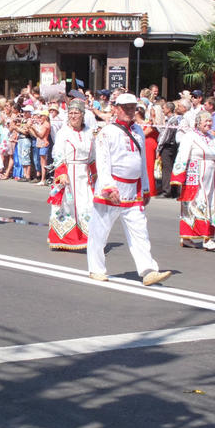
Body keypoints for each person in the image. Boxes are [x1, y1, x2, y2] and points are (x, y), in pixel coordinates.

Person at [86, 93, 171, 285]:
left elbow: (141, 163)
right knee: (100, 230)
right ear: (116, 108)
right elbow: (103, 162)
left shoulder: (138, 131)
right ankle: (96, 268)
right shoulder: (106, 132)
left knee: (139, 230)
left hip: (133, 190)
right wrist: (108, 187)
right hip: (113, 188)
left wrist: (146, 189)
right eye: (125, 108)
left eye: (133, 107)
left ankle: (148, 270)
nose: (130, 111)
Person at [48, 100, 95, 251]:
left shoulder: (89, 132)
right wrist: (62, 174)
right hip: (69, 173)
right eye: (71, 113)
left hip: (84, 174)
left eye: (77, 113)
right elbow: (58, 154)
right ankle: (65, 238)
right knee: (68, 206)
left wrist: (96, 173)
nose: (73, 116)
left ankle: (87, 238)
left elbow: (94, 155)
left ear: (83, 115)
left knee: (87, 205)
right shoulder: (63, 132)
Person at [171, 111, 215, 250]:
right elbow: (182, 156)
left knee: (210, 203)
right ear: (198, 123)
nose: (208, 123)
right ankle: (205, 238)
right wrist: (178, 176)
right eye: (205, 121)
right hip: (195, 174)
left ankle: (189, 237)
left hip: (210, 177)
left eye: (210, 121)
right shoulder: (190, 136)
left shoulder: (212, 138)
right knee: (196, 203)